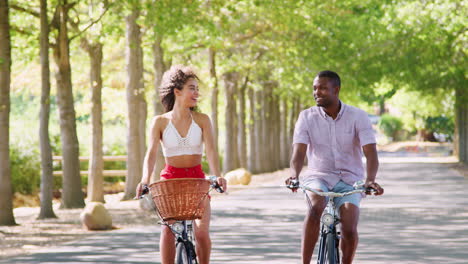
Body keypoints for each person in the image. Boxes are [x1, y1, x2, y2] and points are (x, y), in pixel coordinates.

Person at [285, 70, 384, 264]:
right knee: (315, 208)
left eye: (322, 88)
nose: (316, 92)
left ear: (336, 90)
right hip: (318, 177)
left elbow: (371, 153)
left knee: (349, 227)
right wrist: (294, 175)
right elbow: (298, 153)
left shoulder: (358, 116)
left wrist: (370, 180)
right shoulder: (306, 117)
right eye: (314, 88)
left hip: (350, 179)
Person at [135, 65, 227, 264]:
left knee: (201, 232)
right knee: (167, 230)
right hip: (170, 180)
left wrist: (217, 175)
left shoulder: (203, 120)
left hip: (197, 180)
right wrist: (144, 180)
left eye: (197, 88)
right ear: (177, 91)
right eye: (192, 88)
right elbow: (150, 154)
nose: (196, 93)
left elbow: (211, 150)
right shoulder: (159, 122)